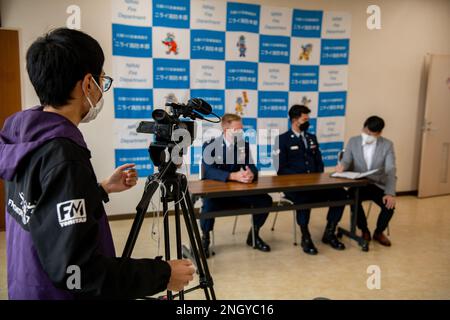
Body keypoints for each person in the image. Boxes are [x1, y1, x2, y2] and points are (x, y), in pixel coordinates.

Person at [0, 28, 194, 299]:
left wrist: (100, 189)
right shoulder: (63, 156)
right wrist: (163, 274)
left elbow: (44, 211)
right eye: (103, 80)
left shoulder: (22, 135)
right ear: (88, 84)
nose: (103, 88)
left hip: (28, 284)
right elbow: (77, 271)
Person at [275, 105, 347, 255]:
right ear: (295, 120)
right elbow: (280, 169)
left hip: (315, 184)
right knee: (304, 197)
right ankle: (305, 236)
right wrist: (302, 179)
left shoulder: (311, 137)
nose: (308, 122)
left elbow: (319, 162)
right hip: (294, 187)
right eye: (305, 119)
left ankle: (330, 232)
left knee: (340, 194)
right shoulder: (282, 140)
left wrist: (317, 178)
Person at [200, 113, 272, 257]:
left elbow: (252, 166)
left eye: (241, 129)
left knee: (265, 200)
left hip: (237, 191)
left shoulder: (242, 145)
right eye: (237, 129)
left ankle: (254, 235)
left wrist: (251, 173)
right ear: (226, 129)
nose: (241, 132)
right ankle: (205, 239)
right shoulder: (210, 145)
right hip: (217, 193)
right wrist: (232, 176)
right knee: (208, 206)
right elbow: (209, 171)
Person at [336, 116, 396, 246]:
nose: (367, 135)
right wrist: (342, 166)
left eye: (371, 134)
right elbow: (346, 160)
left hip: (377, 184)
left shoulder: (387, 145)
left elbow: (391, 169)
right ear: (363, 127)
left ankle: (379, 232)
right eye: (366, 131)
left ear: (379, 133)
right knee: (354, 199)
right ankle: (364, 230)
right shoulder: (353, 141)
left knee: (389, 206)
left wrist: (390, 193)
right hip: (359, 183)